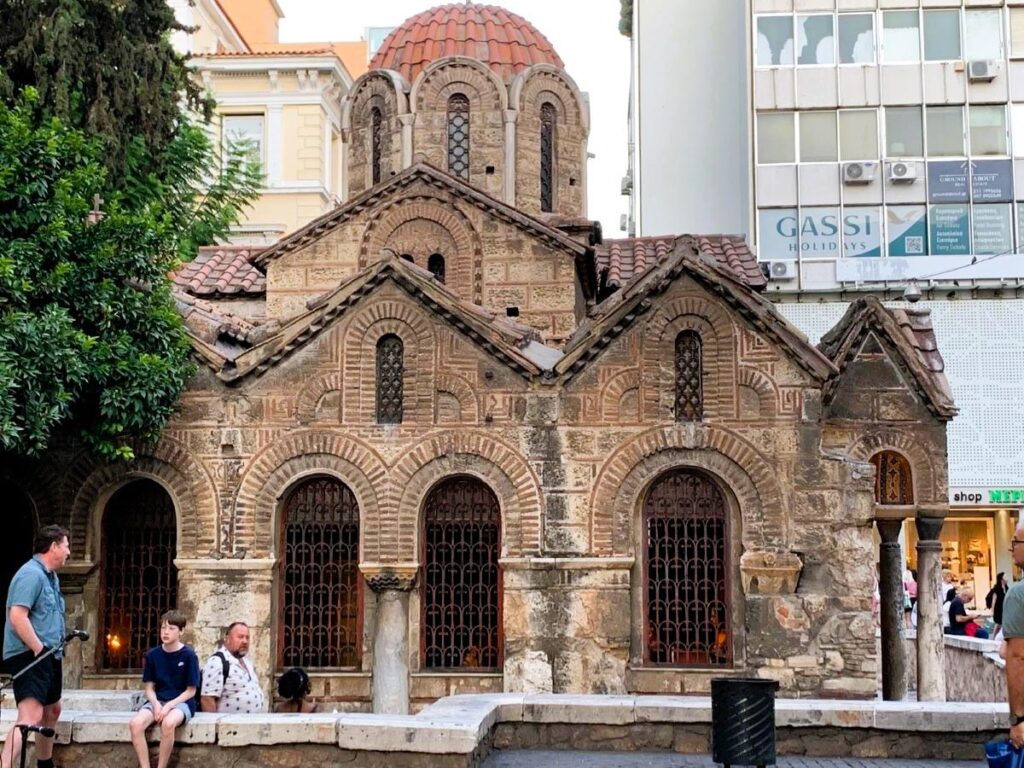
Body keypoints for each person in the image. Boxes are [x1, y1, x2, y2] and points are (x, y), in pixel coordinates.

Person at [1, 524, 71, 768]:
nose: (68, 552)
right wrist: (39, 649)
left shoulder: (50, 577)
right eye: (66, 545)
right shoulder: (30, 574)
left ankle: (44, 764)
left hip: (49, 655)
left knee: (52, 710)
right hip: (30, 654)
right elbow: (18, 616)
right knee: (30, 715)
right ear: (53, 546)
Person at [128, 610, 200, 768]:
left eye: (171, 628)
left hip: (182, 702)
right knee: (135, 724)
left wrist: (169, 705)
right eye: (163, 628)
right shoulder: (153, 655)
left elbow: (191, 691)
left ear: (181, 631)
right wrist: (156, 704)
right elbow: (149, 688)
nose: (166, 632)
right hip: (157, 700)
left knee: (168, 724)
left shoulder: (189, 655)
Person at [199, 622, 265, 714]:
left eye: (247, 637)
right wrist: (212, 726)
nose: (245, 641)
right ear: (227, 639)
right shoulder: (217, 662)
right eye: (240, 637)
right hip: (230, 726)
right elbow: (207, 699)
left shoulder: (247, 662)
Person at [1003, 520, 1024, 748]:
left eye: (1016, 542)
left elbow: (1018, 656)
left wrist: (1017, 719)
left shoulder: (1018, 595)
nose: (1012, 548)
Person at [987, 572, 1009, 637]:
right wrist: (992, 611)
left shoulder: (1006, 587)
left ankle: (997, 636)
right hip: (998, 609)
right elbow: (994, 600)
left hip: (1004, 609)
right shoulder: (997, 588)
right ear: (1001, 579)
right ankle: (994, 636)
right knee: (998, 623)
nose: (1007, 578)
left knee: (1001, 624)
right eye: (1005, 577)